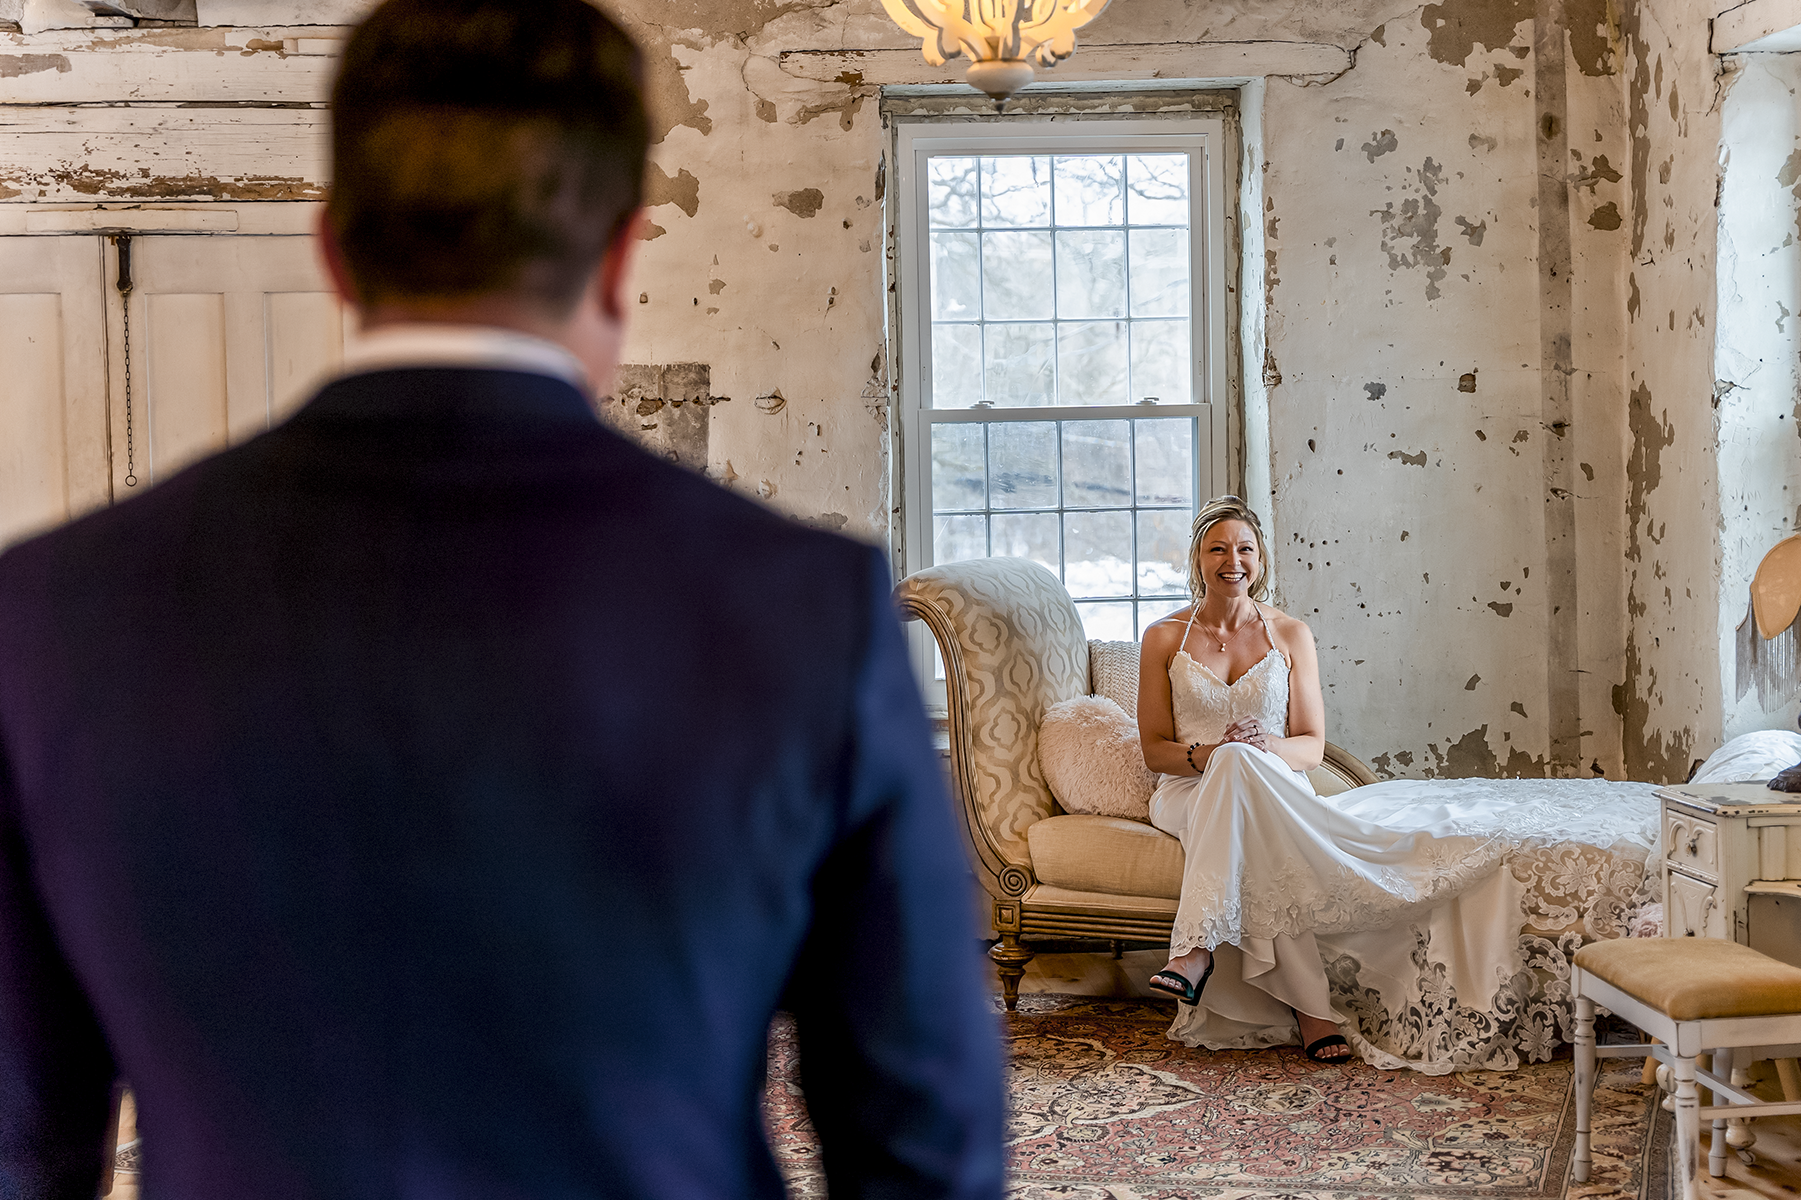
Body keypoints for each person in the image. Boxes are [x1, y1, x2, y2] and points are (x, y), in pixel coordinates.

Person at [0, 3, 1004, 1198]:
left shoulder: (51, 612)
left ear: (334, 254)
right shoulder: (803, 609)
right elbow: (925, 1136)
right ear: (622, 257)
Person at [1135, 496, 1503, 1064]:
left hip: (1274, 785)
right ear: (1198, 559)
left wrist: (1262, 746)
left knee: (1246, 780)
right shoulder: (1163, 637)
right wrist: (1216, 752)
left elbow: (1309, 747)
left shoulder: (1290, 634)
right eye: (1218, 549)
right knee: (1236, 775)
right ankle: (1312, 1013)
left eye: (1245, 549)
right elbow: (1155, 750)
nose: (1232, 560)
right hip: (1187, 790)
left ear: (1261, 559)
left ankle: (1194, 950)